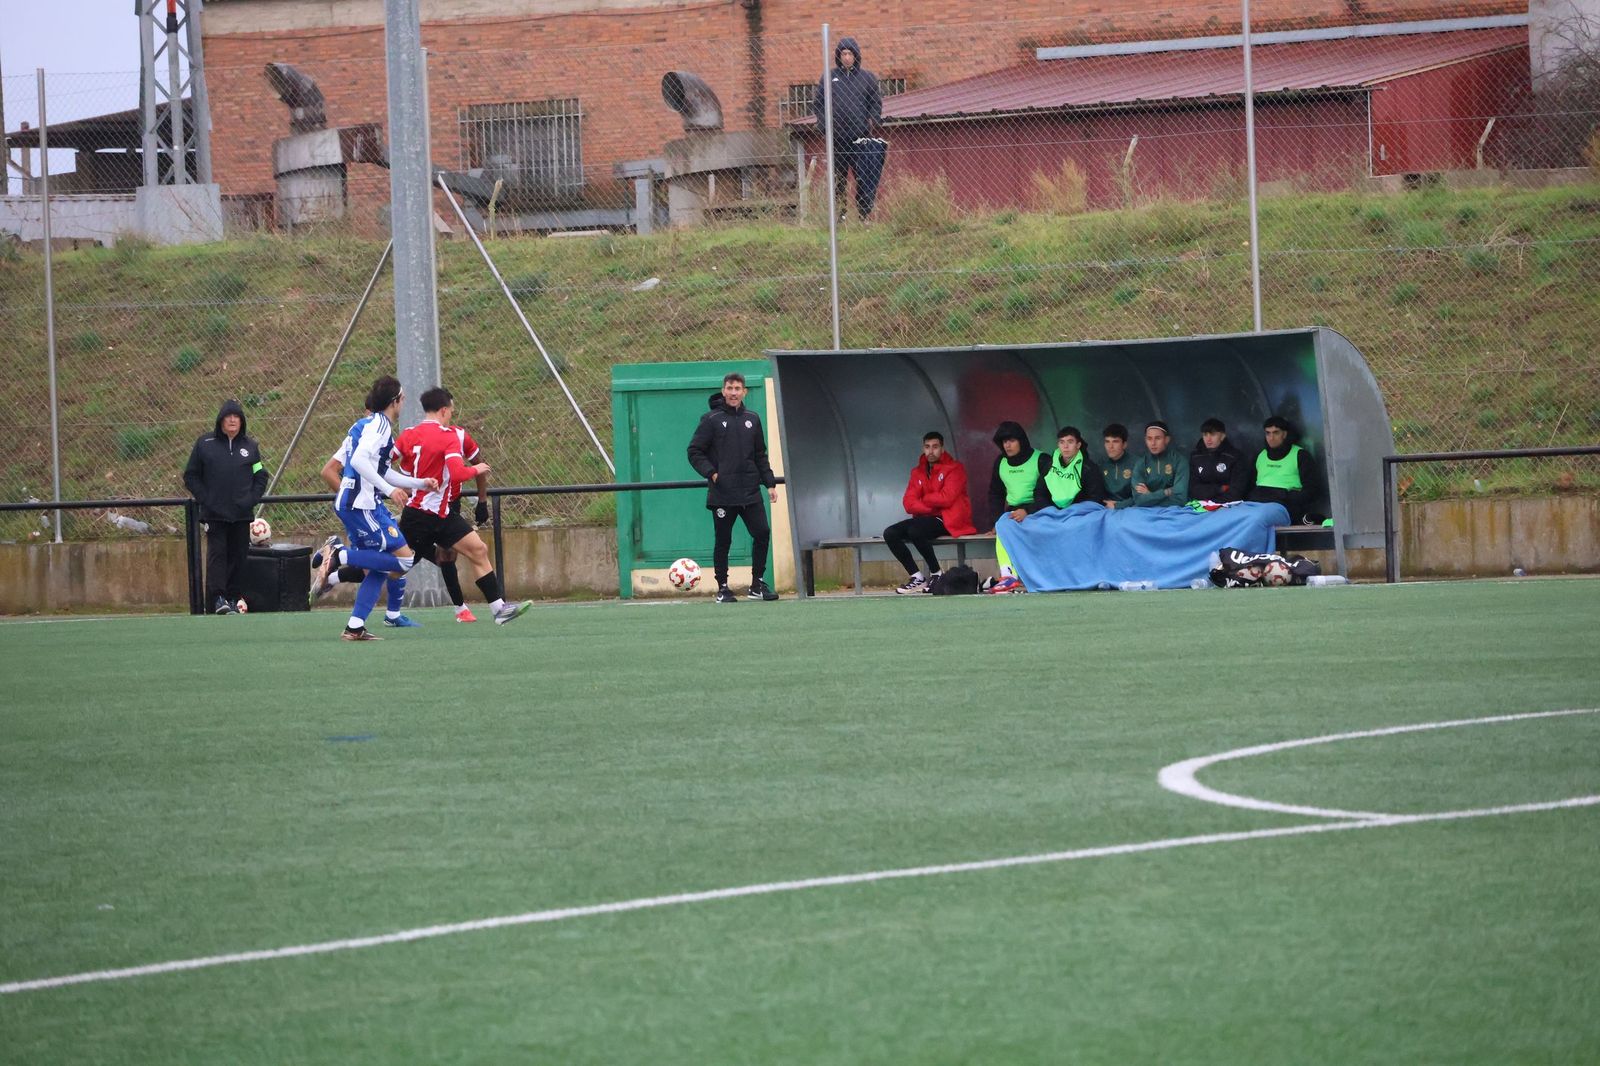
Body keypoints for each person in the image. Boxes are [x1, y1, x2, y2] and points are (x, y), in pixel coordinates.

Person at [390, 387, 530, 626]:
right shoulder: (447, 436)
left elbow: (383, 463)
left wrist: (482, 501)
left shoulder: (410, 434)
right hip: (419, 516)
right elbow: (457, 473)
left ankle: (498, 609)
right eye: (451, 411)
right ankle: (340, 566)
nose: (452, 415)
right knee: (393, 568)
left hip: (444, 513)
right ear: (444, 410)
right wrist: (476, 470)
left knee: (478, 550)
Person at [312, 375, 437, 641]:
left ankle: (355, 626)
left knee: (380, 569)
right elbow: (358, 461)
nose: (403, 401)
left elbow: (382, 471)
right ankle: (338, 554)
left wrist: (420, 483)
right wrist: (391, 491)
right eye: (402, 397)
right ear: (394, 401)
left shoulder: (366, 425)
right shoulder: (380, 425)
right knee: (403, 560)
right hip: (362, 506)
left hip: (362, 505)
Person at [687, 372, 779, 603]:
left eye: (738, 388)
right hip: (723, 494)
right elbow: (694, 451)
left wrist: (769, 483)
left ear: (744, 391)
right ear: (723, 390)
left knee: (762, 533)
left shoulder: (753, 418)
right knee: (723, 540)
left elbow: (760, 454)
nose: (734, 392)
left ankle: (757, 584)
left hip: (750, 491)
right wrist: (713, 473)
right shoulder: (711, 419)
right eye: (730, 388)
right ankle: (723, 588)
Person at [182, 398, 268, 615]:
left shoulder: (250, 447)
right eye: (228, 416)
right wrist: (207, 500)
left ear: (242, 421)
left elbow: (260, 474)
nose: (232, 420)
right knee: (217, 556)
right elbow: (191, 475)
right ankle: (218, 599)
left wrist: (251, 499)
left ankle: (232, 598)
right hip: (215, 515)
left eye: (236, 417)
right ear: (220, 420)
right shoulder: (205, 444)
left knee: (239, 557)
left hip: (241, 515)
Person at [884, 431, 975, 594]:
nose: (930, 451)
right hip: (926, 518)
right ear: (923, 448)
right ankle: (917, 577)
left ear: (942, 448)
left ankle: (936, 574)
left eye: (935, 447)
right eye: (927, 447)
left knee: (915, 530)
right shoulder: (917, 472)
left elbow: (947, 498)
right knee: (890, 533)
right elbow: (908, 502)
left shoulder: (955, 468)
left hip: (948, 519)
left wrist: (924, 500)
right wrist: (931, 506)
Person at [814, 36, 884, 221]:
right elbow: (819, 103)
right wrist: (823, 125)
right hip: (837, 140)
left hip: (860, 138)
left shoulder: (867, 78)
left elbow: (875, 102)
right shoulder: (829, 78)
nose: (846, 57)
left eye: (850, 54)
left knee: (863, 176)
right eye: (843, 54)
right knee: (839, 179)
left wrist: (874, 120)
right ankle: (840, 214)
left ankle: (863, 214)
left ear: (856, 56)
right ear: (839, 56)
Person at [985, 420, 1051, 594]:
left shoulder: (1042, 459)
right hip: (1013, 511)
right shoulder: (1000, 462)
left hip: (1039, 510)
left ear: (1022, 440)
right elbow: (995, 493)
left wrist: (1028, 511)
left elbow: (1049, 494)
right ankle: (1007, 576)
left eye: (1011, 440)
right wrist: (995, 520)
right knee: (1002, 526)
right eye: (1004, 442)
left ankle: (1042, 576)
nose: (1007, 445)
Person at [1247, 415, 1320, 522]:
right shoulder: (1260, 455)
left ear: (1284, 434)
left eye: (1276, 432)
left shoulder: (1300, 455)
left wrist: (1286, 496)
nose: (1271, 438)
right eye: (1268, 433)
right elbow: (1250, 485)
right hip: (1257, 502)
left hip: (1284, 505)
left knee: (1258, 518)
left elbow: (1312, 490)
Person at [1043, 426, 1109, 509]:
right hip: (1052, 511)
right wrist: (1050, 509)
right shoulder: (1050, 465)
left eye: (1070, 442)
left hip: (1078, 513)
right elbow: (1039, 492)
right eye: (1062, 442)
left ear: (1078, 445)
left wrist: (1072, 511)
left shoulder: (1089, 468)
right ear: (1058, 445)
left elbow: (1095, 497)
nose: (1065, 446)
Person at [1188, 417, 1249, 503]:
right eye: (1205, 435)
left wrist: (1214, 502)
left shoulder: (1235, 457)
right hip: (1202, 505)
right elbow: (1193, 488)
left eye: (1213, 434)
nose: (1208, 439)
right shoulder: (1195, 457)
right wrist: (1219, 489)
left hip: (1229, 505)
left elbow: (1237, 491)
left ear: (1222, 436)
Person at [1130, 420, 1189, 508]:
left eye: (1157, 438)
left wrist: (1150, 495)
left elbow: (1180, 499)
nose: (1153, 443)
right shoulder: (1141, 463)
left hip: (1173, 510)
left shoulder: (1179, 461)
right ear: (1145, 440)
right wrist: (1166, 492)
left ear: (1167, 439)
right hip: (1145, 511)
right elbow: (1139, 500)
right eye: (1149, 439)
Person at [1099, 424, 1136, 510]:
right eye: (1107, 442)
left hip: (1132, 509)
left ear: (1124, 444)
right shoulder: (1101, 465)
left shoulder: (1137, 464)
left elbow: (1142, 496)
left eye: (1115, 442)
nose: (1110, 446)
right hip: (1106, 508)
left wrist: (1119, 505)